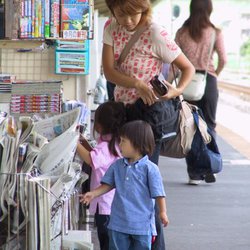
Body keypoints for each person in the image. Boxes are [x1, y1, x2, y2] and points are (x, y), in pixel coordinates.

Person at [102, 0, 195, 248]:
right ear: (112, 11)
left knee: (144, 186)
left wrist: (176, 91)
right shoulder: (111, 27)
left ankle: (155, 244)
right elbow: (109, 72)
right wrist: (137, 84)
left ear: (145, 9)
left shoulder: (156, 32)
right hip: (123, 114)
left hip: (146, 120)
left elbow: (188, 68)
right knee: (126, 184)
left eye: (135, 14)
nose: (129, 20)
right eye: (122, 14)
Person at [79, 120, 169, 250]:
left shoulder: (150, 169)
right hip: (118, 224)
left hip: (142, 227)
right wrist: (93, 193)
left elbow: (159, 193)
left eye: (123, 141)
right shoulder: (117, 165)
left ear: (137, 144)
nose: (119, 145)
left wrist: (163, 212)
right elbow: (108, 184)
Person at [174, 0, 227, 184]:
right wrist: (214, 75)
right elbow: (223, 59)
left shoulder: (181, 32)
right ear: (209, 10)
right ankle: (211, 164)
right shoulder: (215, 32)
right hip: (208, 81)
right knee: (210, 125)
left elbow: (172, 59)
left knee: (190, 126)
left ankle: (194, 174)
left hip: (186, 82)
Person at [76, 101, 126, 250]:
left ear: (100, 125)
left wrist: (73, 140)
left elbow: (91, 159)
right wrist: (81, 140)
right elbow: (94, 153)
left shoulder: (107, 146)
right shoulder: (114, 142)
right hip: (109, 203)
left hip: (106, 205)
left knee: (106, 242)